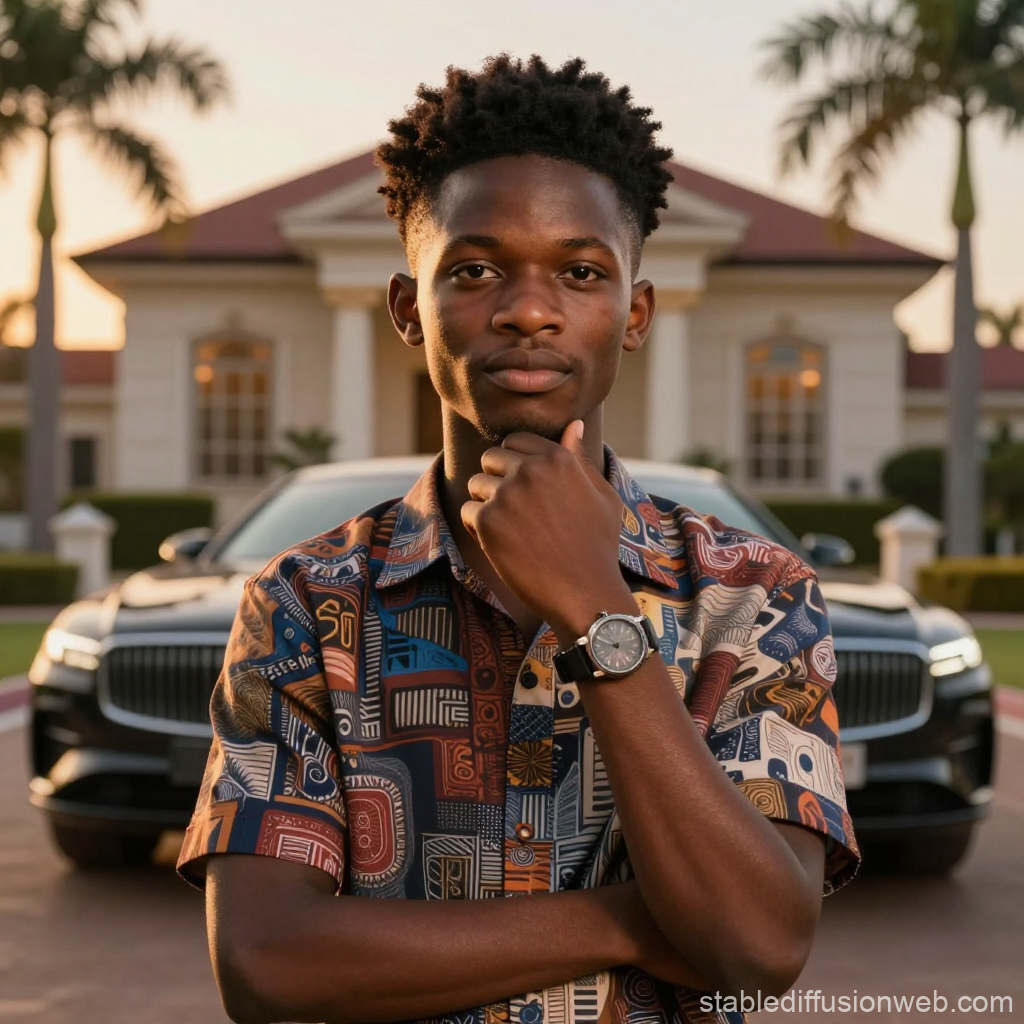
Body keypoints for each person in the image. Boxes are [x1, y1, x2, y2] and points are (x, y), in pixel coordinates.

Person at [177, 54, 859, 1024]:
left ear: (634, 314)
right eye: (474, 269)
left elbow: (759, 948)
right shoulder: (305, 600)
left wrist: (594, 607)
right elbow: (267, 965)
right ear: (408, 311)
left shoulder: (751, 593)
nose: (529, 310)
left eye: (580, 272)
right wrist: (639, 920)